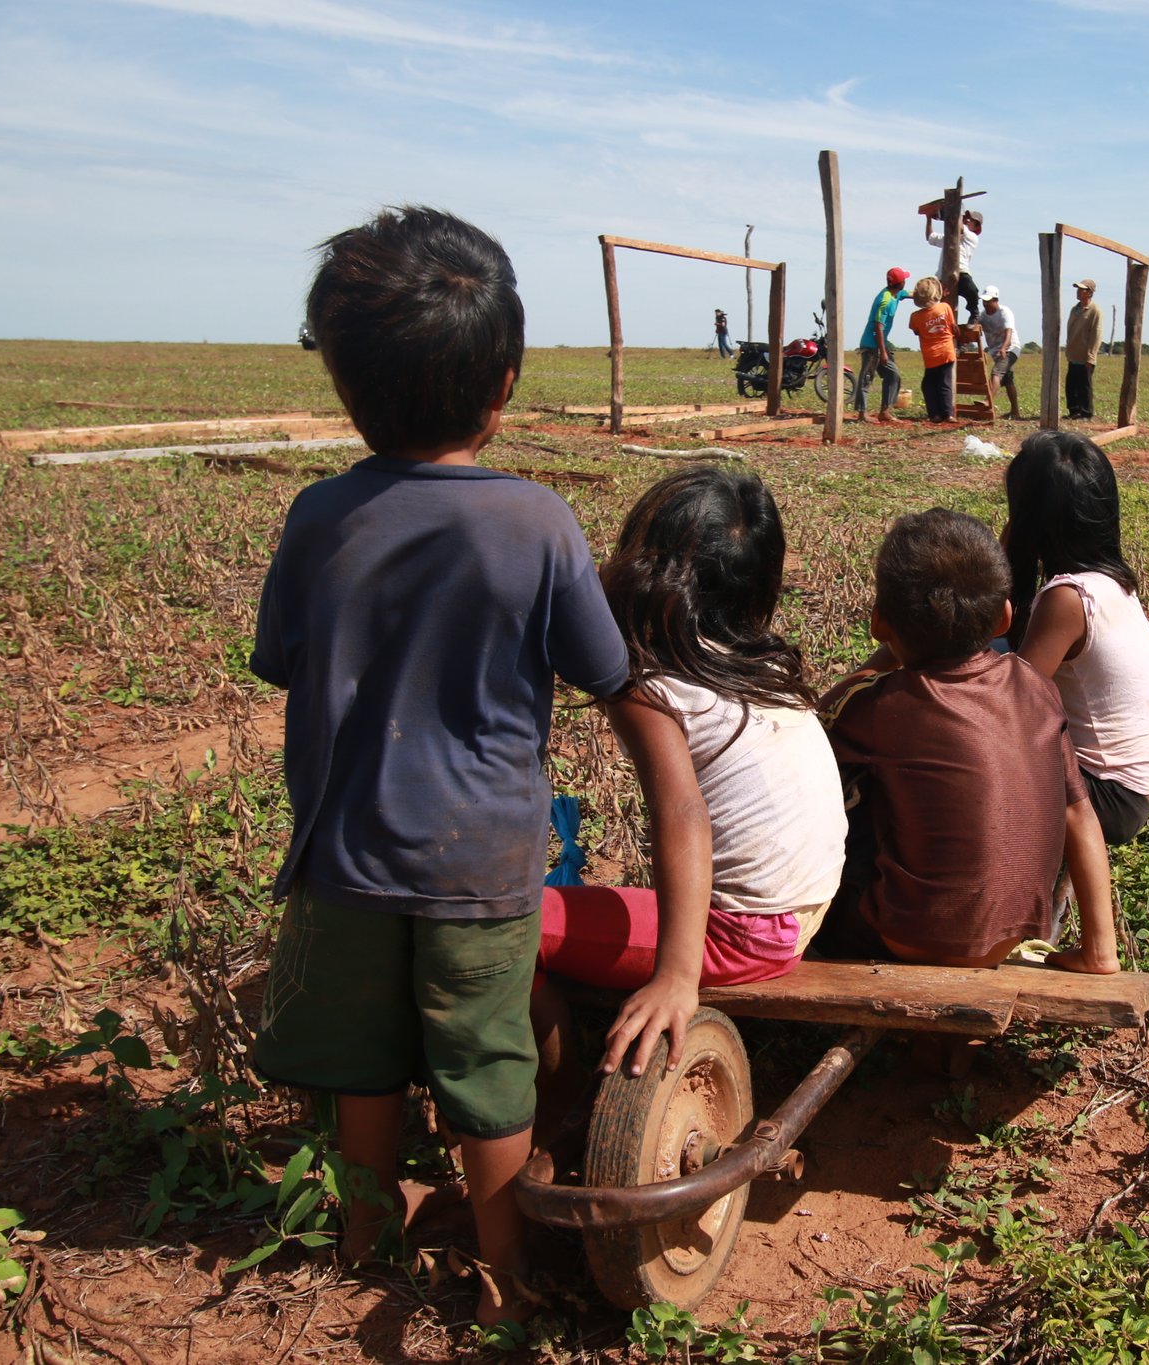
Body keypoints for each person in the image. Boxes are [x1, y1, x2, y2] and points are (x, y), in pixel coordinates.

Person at [249, 206, 631, 1329]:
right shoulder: (539, 522)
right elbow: (605, 669)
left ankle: (362, 1233)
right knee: (486, 1063)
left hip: (343, 850)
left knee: (364, 1062)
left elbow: (284, 663)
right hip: (481, 861)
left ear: (345, 387)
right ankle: (504, 1265)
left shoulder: (318, 518)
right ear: (502, 383)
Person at [535, 467, 846, 1096]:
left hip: (739, 934)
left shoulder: (647, 688)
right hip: (803, 914)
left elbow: (680, 811)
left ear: (641, 574)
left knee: (495, 928)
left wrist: (677, 973)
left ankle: (557, 1102)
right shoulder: (754, 663)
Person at [814, 509, 1119, 974]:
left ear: (879, 623)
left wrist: (872, 667)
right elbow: (1079, 813)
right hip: (1006, 939)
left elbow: (810, 732)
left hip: (899, 936)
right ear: (1004, 616)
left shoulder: (883, 705)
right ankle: (1101, 953)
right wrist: (1099, 949)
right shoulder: (1037, 688)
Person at [1002, 432, 1149, 848]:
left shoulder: (1066, 599)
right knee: (992, 653)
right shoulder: (1109, 582)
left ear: (1027, 519)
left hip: (1108, 800)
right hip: (1131, 790)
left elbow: (1008, 706)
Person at [855, 267, 910, 424]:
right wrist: (882, 352)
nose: (906, 281)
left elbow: (912, 294)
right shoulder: (885, 300)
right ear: (900, 283)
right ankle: (862, 413)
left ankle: (885, 411)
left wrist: (931, 294)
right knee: (867, 378)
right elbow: (878, 326)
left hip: (881, 345)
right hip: (872, 345)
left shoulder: (896, 294)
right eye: (904, 279)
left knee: (893, 375)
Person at [909, 276, 958, 423]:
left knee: (929, 384)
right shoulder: (945, 307)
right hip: (947, 352)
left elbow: (916, 331)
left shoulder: (915, 316)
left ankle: (935, 414)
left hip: (930, 356)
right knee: (944, 383)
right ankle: (948, 414)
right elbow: (953, 327)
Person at [924, 209, 983, 323]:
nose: (967, 220)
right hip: (943, 275)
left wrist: (956, 211)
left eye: (971, 220)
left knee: (972, 291)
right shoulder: (950, 237)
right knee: (938, 305)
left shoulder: (972, 237)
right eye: (966, 217)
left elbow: (959, 227)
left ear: (976, 227)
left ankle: (974, 313)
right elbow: (930, 237)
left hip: (961, 272)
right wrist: (929, 219)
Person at [979, 285, 1022, 419]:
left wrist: (1004, 348)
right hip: (996, 351)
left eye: (988, 301)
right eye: (984, 301)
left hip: (1010, 348)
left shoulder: (1004, 312)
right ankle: (1015, 412)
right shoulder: (983, 315)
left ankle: (988, 401)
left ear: (995, 300)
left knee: (996, 372)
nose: (985, 304)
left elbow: (1008, 333)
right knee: (1008, 380)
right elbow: (976, 325)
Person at [1065, 278, 1102, 420]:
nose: (1078, 292)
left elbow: (1096, 335)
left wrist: (1091, 356)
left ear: (1089, 293)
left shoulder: (1095, 311)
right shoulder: (1074, 310)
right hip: (1073, 354)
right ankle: (1074, 411)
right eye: (1078, 289)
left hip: (1085, 355)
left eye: (1082, 289)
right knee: (1071, 385)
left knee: (1084, 386)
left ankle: (1086, 412)